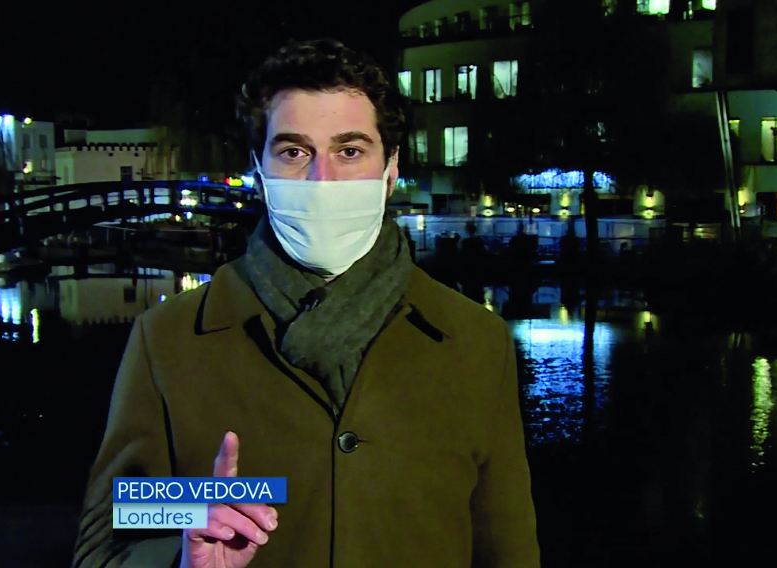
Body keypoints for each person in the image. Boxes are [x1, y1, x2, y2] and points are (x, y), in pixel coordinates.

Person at [72, 39, 540, 568]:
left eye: (349, 151)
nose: (322, 180)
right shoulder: (170, 339)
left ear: (390, 170)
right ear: (258, 169)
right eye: (294, 152)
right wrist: (184, 546)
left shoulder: (475, 342)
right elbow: (117, 523)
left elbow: (508, 547)